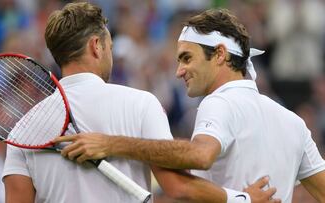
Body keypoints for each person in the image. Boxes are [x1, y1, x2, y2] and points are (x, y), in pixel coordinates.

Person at [2, 3, 279, 203]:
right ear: (96, 46)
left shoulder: (22, 129)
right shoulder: (142, 103)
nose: (109, 53)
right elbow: (177, 187)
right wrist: (242, 199)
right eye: (110, 46)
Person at [54, 8, 325, 203]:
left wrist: (110, 144)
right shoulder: (293, 122)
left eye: (186, 58)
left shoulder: (219, 102)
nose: (179, 71)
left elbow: (200, 156)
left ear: (219, 54)